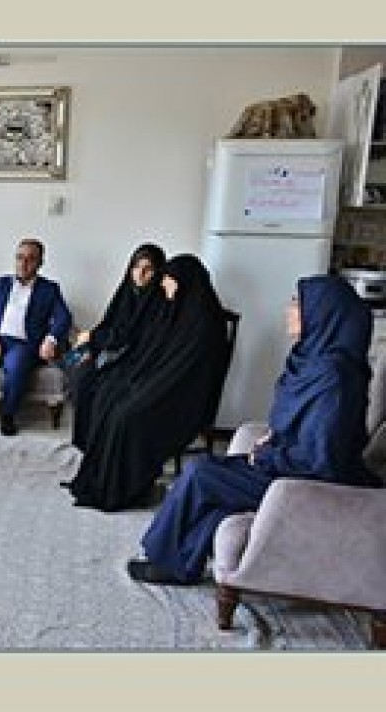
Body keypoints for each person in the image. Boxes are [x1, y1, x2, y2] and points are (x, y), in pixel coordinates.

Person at [127, 275, 380, 585]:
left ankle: (162, 559)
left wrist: (266, 455)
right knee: (213, 483)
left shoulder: (334, 380)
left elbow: (322, 461)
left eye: (297, 303)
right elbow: (297, 426)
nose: (288, 309)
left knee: (200, 473)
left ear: (322, 314)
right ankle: (178, 563)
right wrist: (273, 439)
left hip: (302, 482)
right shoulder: (310, 362)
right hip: (283, 465)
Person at [62, 254, 230, 512]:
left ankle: (128, 487)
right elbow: (151, 352)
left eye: (168, 279)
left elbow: (186, 374)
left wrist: (146, 389)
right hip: (158, 382)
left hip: (182, 396)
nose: (163, 284)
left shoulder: (204, 322)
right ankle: (103, 475)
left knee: (125, 417)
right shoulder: (174, 309)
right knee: (109, 397)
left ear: (184, 282)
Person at [0, 238, 72, 436]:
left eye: (30, 259)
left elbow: (64, 317)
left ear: (40, 263)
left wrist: (50, 339)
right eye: (19, 258)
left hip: (23, 344)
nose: (23, 263)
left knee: (16, 364)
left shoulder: (49, 289)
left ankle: (8, 416)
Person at [69, 243, 167, 449]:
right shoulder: (126, 293)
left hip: (135, 360)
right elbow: (108, 326)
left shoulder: (159, 301)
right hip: (110, 351)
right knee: (78, 371)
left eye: (148, 269)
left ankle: (101, 444)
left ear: (158, 272)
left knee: (102, 388)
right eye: (136, 267)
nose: (140, 274)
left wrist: (92, 337)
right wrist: (90, 347)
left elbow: (129, 337)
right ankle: (85, 443)